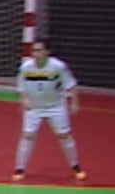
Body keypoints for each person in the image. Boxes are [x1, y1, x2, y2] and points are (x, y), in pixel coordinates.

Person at [12, 41, 86, 181]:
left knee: (63, 135)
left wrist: (74, 103)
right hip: (34, 107)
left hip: (56, 106)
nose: (36, 54)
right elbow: (21, 87)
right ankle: (19, 168)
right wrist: (24, 100)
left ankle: (75, 166)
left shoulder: (58, 67)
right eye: (34, 50)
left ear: (47, 52)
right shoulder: (26, 67)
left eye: (39, 50)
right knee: (27, 135)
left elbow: (71, 84)